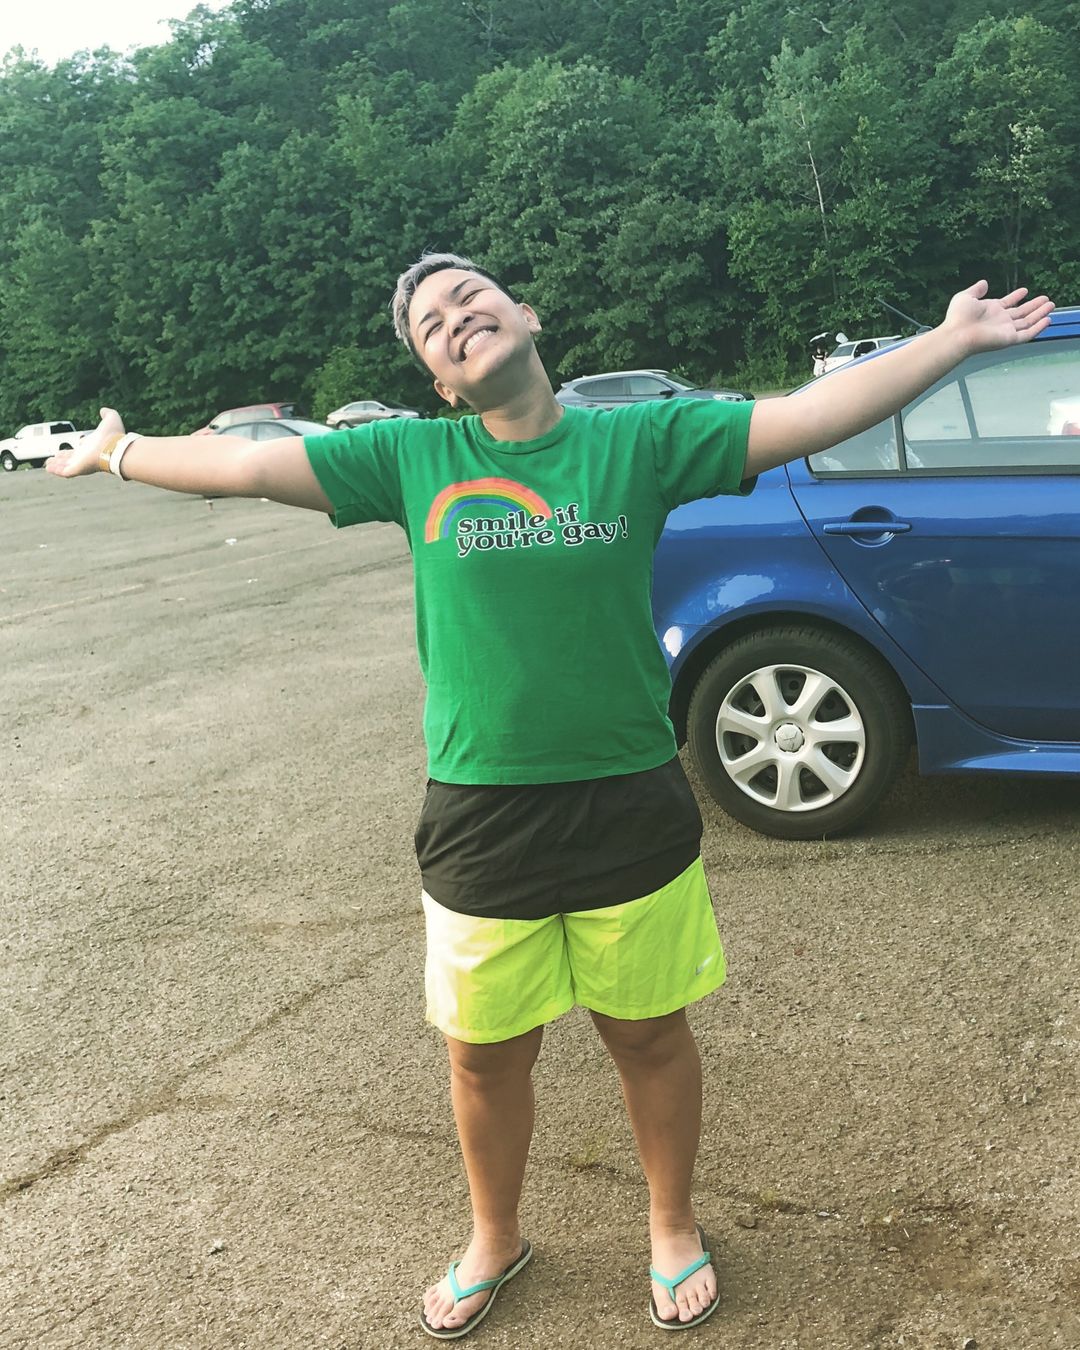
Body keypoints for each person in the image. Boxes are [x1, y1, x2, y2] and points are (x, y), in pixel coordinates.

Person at [48, 258, 1053, 1338]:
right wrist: (119, 453)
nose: (454, 318)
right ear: (438, 380)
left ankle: (671, 1222)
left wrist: (950, 340)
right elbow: (248, 465)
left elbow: (806, 416)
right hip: (481, 811)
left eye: (468, 296)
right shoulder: (412, 458)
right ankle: (495, 1236)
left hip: (627, 797)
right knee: (482, 1055)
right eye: (430, 325)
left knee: (647, 1035)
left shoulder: (642, 442)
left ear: (524, 315)